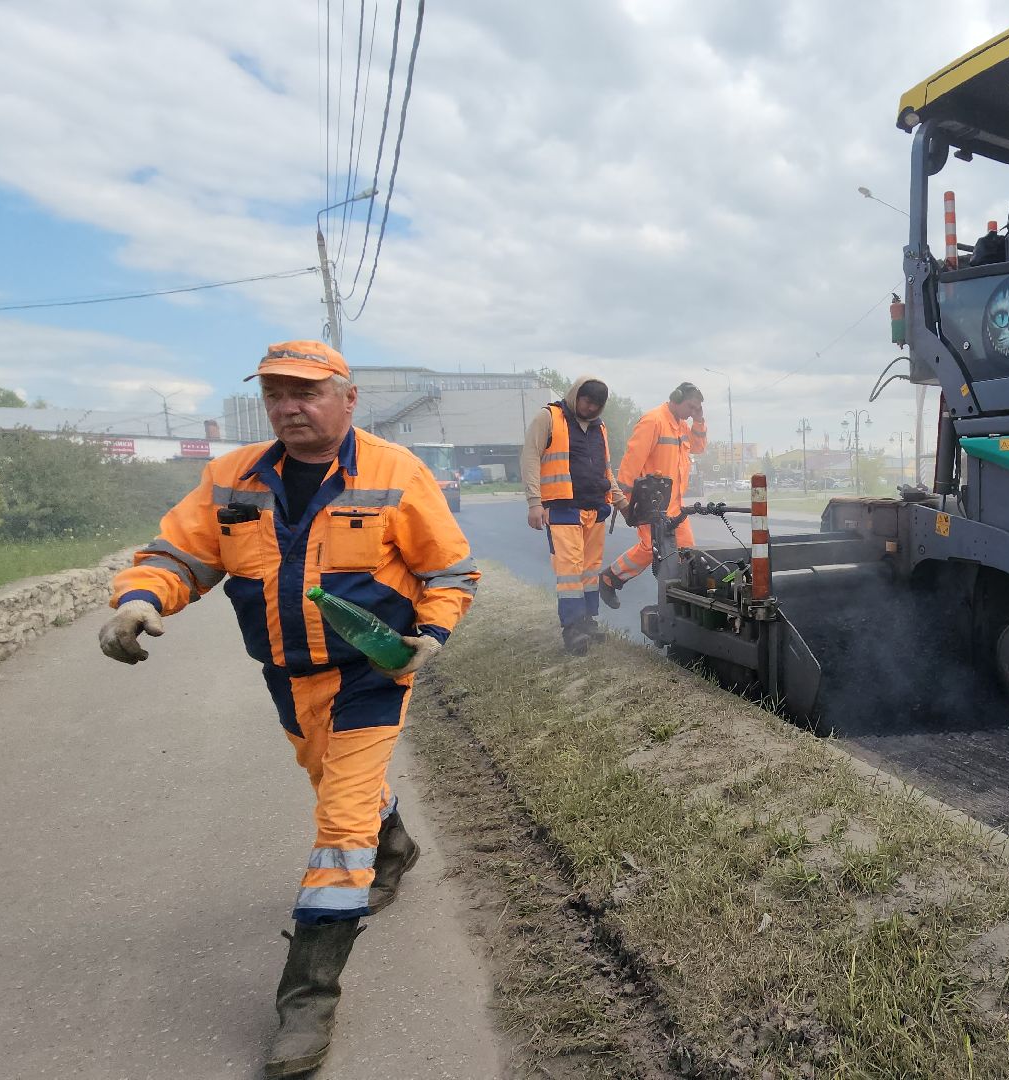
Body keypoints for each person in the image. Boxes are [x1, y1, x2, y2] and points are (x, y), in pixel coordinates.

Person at [96, 340, 478, 1078]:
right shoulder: (232, 478)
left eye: (305, 391)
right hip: (287, 675)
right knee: (336, 784)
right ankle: (393, 844)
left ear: (348, 398)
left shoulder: (398, 474)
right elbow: (180, 555)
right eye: (276, 393)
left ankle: (307, 1000)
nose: (288, 406)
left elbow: (449, 570)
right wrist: (139, 601)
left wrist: (430, 633)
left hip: (371, 672)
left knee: (339, 822)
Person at [519, 375, 624, 654]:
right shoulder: (549, 417)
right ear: (576, 395)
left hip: (595, 508)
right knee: (570, 570)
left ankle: (588, 621)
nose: (590, 408)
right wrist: (534, 502)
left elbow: (607, 470)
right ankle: (573, 629)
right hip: (563, 508)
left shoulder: (600, 428)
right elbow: (530, 457)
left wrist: (621, 502)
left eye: (596, 405)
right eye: (587, 401)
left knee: (590, 570)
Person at [596, 382, 707, 608]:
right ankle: (611, 578)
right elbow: (632, 460)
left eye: (696, 408)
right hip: (651, 502)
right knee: (651, 547)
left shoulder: (682, 426)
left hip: (674, 504)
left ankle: (680, 599)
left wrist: (699, 419)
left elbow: (698, 447)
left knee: (686, 552)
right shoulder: (653, 420)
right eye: (690, 407)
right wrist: (624, 501)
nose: (691, 412)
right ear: (675, 398)